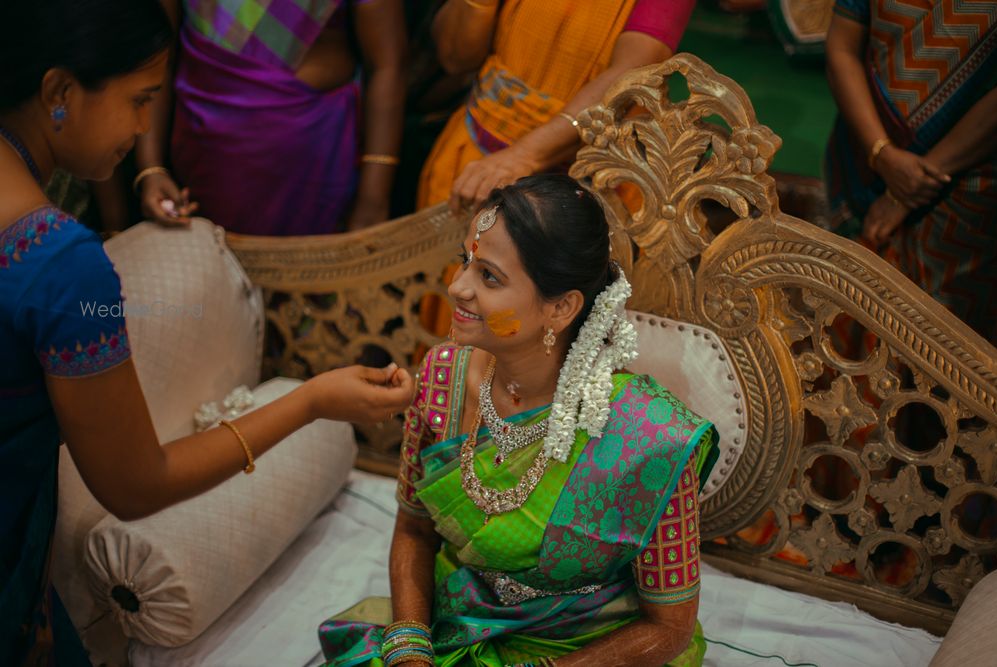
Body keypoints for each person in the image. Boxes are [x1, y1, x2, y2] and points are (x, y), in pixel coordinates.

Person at [0, 2, 414, 663]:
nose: (142, 128)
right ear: (58, 92)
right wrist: (311, 401)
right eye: (139, 100)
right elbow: (138, 485)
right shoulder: (61, 266)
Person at [318, 175, 720, 666]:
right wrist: (410, 650)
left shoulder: (649, 437)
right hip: (456, 624)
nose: (456, 287)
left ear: (560, 307)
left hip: (586, 649)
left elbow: (669, 628)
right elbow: (414, 531)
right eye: (465, 261)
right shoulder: (443, 376)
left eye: (489, 277)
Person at [134, 0, 406, 235]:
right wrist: (151, 168)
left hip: (312, 177)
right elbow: (156, 57)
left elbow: (387, 65)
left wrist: (373, 197)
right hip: (202, 171)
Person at [824, 0, 997, 346]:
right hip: (866, 156)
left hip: (969, 190)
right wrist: (881, 154)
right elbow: (842, 47)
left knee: (944, 349)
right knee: (843, 317)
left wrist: (916, 182)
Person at [418, 0, 697, 214]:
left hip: (580, 193)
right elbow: (455, 58)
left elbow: (634, 70)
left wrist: (523, 156)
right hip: (472, 158)